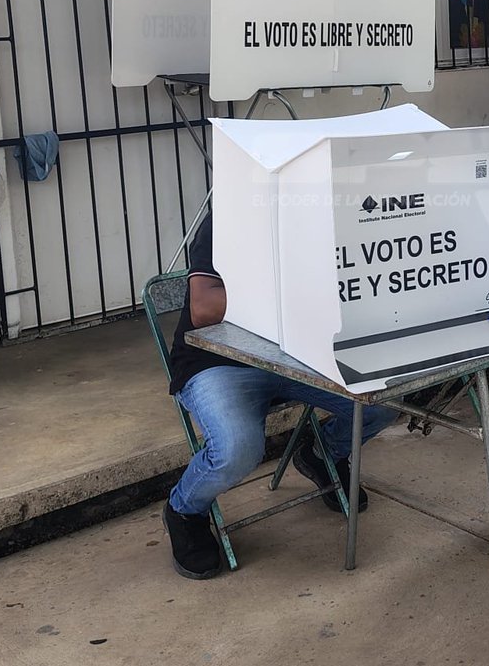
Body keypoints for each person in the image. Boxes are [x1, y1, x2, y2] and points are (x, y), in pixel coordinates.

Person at [162, 210, 396, 579]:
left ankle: (322, 454)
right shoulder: (229, 215)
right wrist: (295, 297)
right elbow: (204, 309)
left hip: (296, 354)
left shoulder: (315, 214)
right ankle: (185, 509)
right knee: (238, 447)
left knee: (382, 401)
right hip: (218, 361)